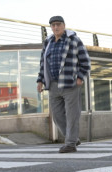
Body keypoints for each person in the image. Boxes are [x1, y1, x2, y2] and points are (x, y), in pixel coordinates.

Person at [37, 15, 91, 153]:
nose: (55, 27)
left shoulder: (73, 40)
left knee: (72, 115)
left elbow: (85, 61)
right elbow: (43, 64)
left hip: (70, 83)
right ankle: (72, 137)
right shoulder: (48, 42)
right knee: (57, 115)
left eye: (58, 24)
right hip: (53, 84)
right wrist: (40, 80)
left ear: (64, 25)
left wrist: (80, 77)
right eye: (53, 25)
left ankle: (71, 144)